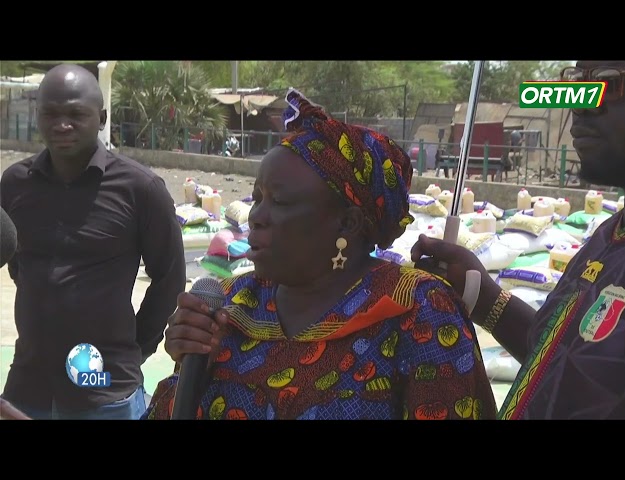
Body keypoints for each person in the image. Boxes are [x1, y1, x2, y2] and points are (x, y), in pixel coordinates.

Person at [143, 88, 497, 420]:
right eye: (258, 197)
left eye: (279, 201)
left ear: (347, 223)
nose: (256, 216)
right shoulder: (231, 305)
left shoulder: (417, 310)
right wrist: (191, 370)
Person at [411, 60, 625, 420]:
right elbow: (557, 356)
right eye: (579, 83)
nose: (580, 104)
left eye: (608, 84)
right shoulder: (609, 236)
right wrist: (482, 296)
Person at [0, 64, 186, 420]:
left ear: (101, 118)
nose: (62, 124)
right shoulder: (14, 184)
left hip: (103, 390)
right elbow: (15, 261)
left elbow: (170, 278)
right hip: (27, 386)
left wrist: (135, 350)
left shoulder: (140, 189)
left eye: (75, 114)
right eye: (50, 114)